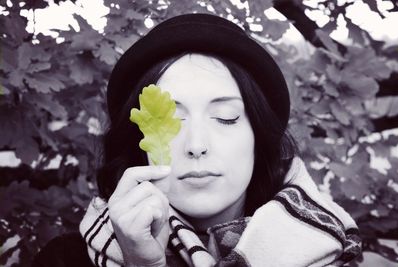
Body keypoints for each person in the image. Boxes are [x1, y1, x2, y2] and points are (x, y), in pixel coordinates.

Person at [33, 14, 361, 267]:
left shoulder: (337, 253)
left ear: (258, 136)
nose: (196, 144)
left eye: (226, 117)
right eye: (171, 121)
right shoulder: (64, 259)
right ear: (138, 140)